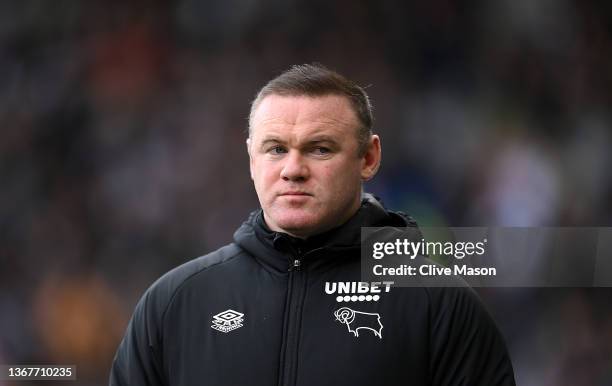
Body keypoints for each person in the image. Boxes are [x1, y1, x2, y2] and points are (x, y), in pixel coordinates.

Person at [110, 64, 515, 386]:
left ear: (369, 158)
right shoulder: (174, 303)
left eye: (319, 149)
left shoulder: (438, 304)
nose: (293, 170)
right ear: (252, 159)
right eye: (275, 149)